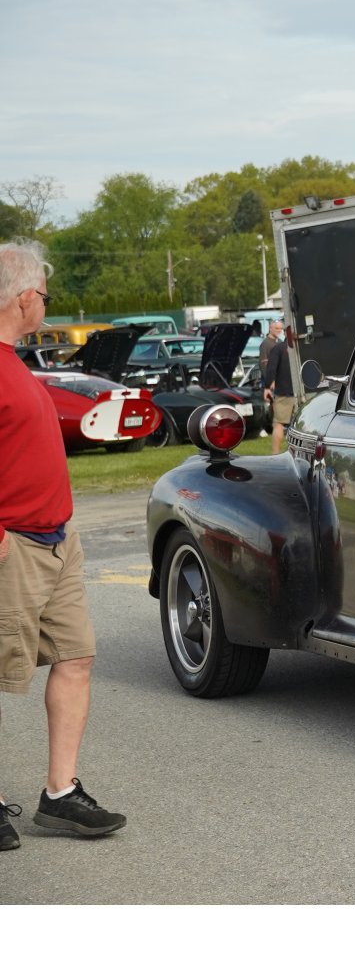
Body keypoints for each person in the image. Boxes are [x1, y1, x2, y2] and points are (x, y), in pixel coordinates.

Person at [0, 240, 127, 852]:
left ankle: (59, 794)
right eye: (44, 296)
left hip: (56, 541)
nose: (45, 305)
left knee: (75, 658)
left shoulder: (14, 362)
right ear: (26, 298)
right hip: (12, 545)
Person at [262, 329, 295, 454]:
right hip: (304, 392)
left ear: (286, 333)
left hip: (284, 392)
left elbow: (271, 369)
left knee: (279, 424)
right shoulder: (304, 348)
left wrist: (267, 387)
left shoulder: (279, 348)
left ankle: (275, 454)